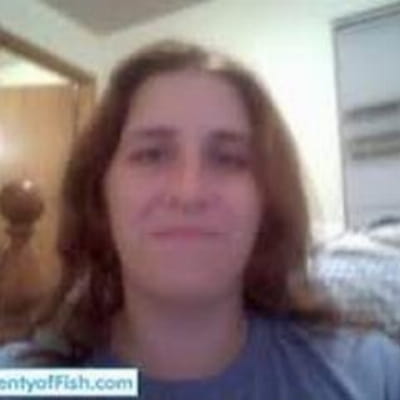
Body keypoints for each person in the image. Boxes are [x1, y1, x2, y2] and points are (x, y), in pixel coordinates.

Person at [4, 40, 400, 399]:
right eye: (152, 154)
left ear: (267, 200)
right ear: (99, 192)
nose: (189, 193)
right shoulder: (23, 383)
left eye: (228, 159)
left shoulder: (369, 372)